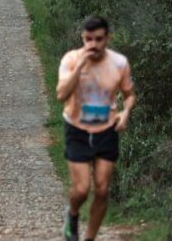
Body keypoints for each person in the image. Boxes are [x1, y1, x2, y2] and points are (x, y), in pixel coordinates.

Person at [56, 16, 136, 241]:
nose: (93, 44)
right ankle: (72, 214)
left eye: (98, 39)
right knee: (82, 189)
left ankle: (89, 238)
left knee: (102, 189)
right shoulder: (71, 59)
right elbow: (61, 95)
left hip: (106, 129)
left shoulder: (119, 63)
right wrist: (80, 67)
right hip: (77, 129)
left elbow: (129, 95)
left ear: (107, 38)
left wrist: (125, 112)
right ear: (82, 38)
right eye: (88, 39)